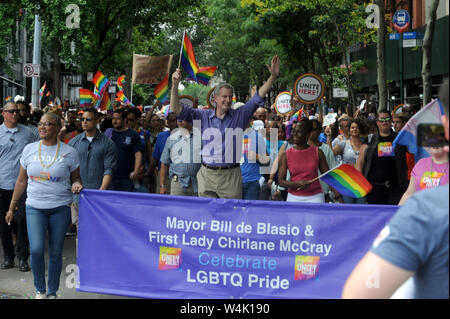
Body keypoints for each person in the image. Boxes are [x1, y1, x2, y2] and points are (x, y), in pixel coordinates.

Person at [342, 77, 449, 299]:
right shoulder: (373, 144)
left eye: (386, 119)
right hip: (377, 195)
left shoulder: (399, 144)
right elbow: (410, 192)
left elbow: (359, 292)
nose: (433, 144)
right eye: (378, 119)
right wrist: (398, 215)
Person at [170, 55, 280, 199]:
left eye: (230, 97)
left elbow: (258, 97)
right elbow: (176, 109)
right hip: (206, 174)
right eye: (224, 97)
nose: (228, 100)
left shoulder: (240, 115)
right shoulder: (202, 115)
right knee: (207, 216)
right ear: (215, 99)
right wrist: (174, 85)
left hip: (231, 176)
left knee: (230, 217)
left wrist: (273, 76)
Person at [5, 111, 82, 299]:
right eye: (40, 124)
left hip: (60, 208)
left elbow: (76, 177)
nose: (42, 127)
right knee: (37, 250)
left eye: (47, 124)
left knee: (56, 253)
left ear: (57, 128)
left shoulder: (69, 152)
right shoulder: (30, 149)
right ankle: (40, 289)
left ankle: (52, 292)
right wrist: (12, 206)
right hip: (35, 207)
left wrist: (76, 184)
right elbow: (21, 180)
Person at [0, 102, 37, 272]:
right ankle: (8, 257)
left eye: (17, 111)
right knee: (3, 223)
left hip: (23, 185)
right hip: (2, 185)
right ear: (3, 113)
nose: (15, 114)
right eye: (11, 111)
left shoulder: (28, 133)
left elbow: (37, 154)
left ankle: (23, 257)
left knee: (22, 221)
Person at [68, 108, 117, 235]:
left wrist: (101, 191)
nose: (84, 122)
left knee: (100, 232)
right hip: (79, 196)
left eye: (88, 119)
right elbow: (67, 168)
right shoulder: (74, 142)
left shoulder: (108, 143)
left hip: (100, 196)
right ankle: (82, 256)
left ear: (96, 121)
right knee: (81, 232)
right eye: (82, 119)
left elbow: (109, 169)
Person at [356, 110, 409, 205]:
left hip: (396, 189)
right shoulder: (370, 139)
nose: (384, 122)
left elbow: (413, 150)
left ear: (390, 121)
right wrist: (360, 183)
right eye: (381, 119)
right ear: (377, 122)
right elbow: (360, 162)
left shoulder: (400, 138)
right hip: (373, 189)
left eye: (387, 119)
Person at [278, 118, 330, 203]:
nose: (294, 134)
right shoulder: (286, 154)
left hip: (315, 197)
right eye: (293, 131)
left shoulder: (318, 152)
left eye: (299, 132)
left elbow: (328, 175)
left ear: (308, 134)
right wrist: (297, 184)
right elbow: (281, 181)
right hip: (293, 197)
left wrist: (337, 194)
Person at [159, 117, 201, 196]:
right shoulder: (171, 139)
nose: (181, 122)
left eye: (183, 120)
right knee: (176, 207)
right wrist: (162, 185)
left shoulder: (201, 137)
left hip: (197, 183)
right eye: (179, 120)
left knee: (196, 208)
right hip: (177, 182)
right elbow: (164, 163)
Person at [330, 118, 368, 204]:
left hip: (361, 184)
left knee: (361, 210)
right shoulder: (343, 144)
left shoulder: (366, 146)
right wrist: (329, 137)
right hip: (347, 184)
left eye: (357, 127)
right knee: (348, 210)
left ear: (361, 130)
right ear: (349, 130)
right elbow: (330, 155)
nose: (355, 129)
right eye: (352, 127)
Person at [106, 109, 143, 192]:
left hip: (126, 178)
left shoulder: (133, 134)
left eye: (117, 119)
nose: (114, 121)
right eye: (113, 118)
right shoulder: (108, 133)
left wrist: (136, 171)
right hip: (109, 176)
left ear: (124, 120)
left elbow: (138, 154)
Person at [146, 112, 178, 194]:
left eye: (177, 120)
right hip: (163, 175)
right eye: (172, 121)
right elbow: (155, 157)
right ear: (168, 122)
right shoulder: (161, 136)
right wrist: (149, 173)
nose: (175, 123)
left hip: (178, 175)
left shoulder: (186, 137)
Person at [308, 119, 338, 203]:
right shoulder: (300, 148)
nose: (312, 132)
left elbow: (331, 170)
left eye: (314, 129)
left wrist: (334, 191)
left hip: (322, 192)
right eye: (309, 129)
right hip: (303, 193)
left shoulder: (326, 149)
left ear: (319, 131)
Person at [240, 120, 270, 200]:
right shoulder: (228, 136)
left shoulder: (257, 136)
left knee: (250, 211)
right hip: (233, 181)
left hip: (252, 182)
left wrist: (257, 157)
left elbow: (267, 161)